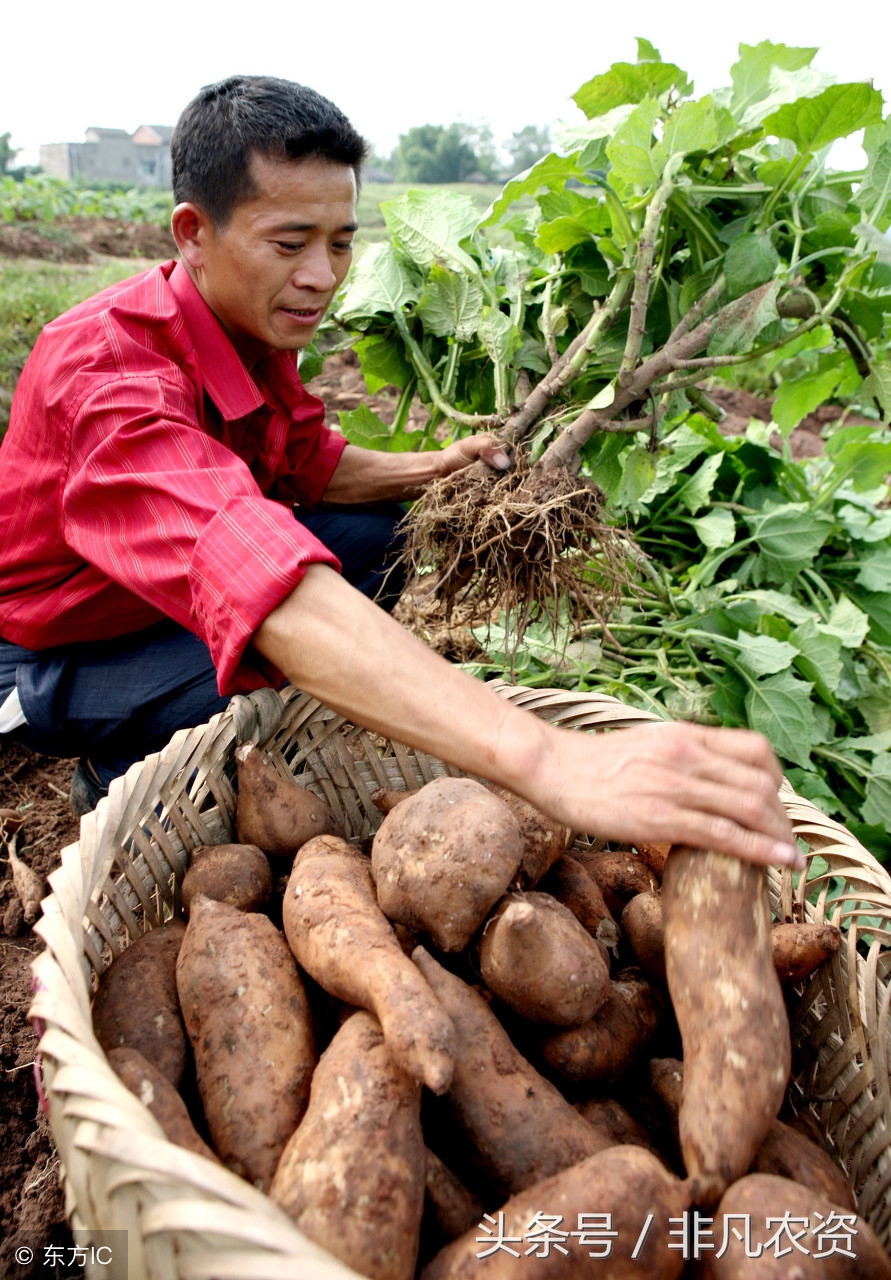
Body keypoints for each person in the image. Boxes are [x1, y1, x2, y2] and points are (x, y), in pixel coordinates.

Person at [0, 75, 801, 870]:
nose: (322, 275)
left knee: (382, 539)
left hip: (146, 596)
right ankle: (112, 774)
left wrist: (436, 468)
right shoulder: (109, 376)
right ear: (192, 233)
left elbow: (309, 463)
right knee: (272, 646)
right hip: (52, 651)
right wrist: (546, 760)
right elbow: (245, 565)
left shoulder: (245, 324)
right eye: (290, 243)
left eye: (341, 242)